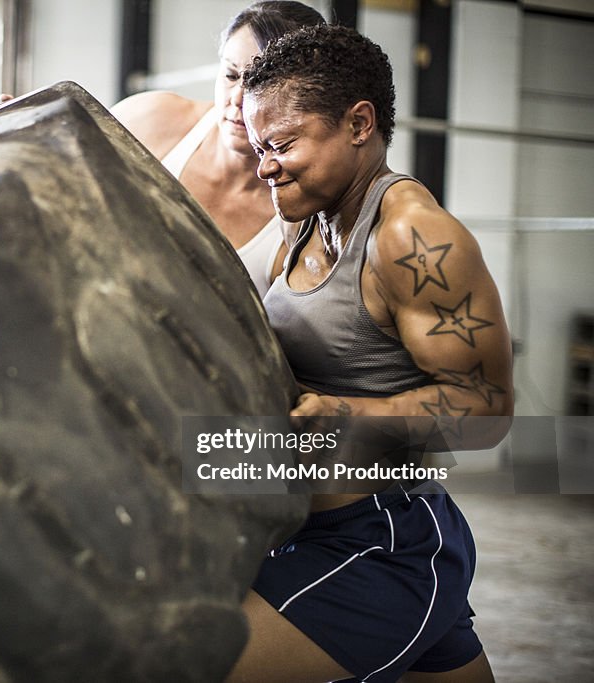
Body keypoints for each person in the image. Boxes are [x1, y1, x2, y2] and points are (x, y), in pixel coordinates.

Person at [226, 24, 513, 683]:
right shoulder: (300, 220)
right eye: (259, 145)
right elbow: (204, 282)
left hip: (379, 537)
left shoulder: (412, 237)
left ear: (358, 123)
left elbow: (487, 408)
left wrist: (350, 414)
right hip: (308, 526)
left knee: (187, 661)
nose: (264, 164)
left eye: (284, 144)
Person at [0, 1, 325, 296]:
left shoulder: (305, 213)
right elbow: (56, 167)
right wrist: (13, 132)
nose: (237, 99)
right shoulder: (154, 118)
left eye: (261, 83)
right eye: (229, 75)